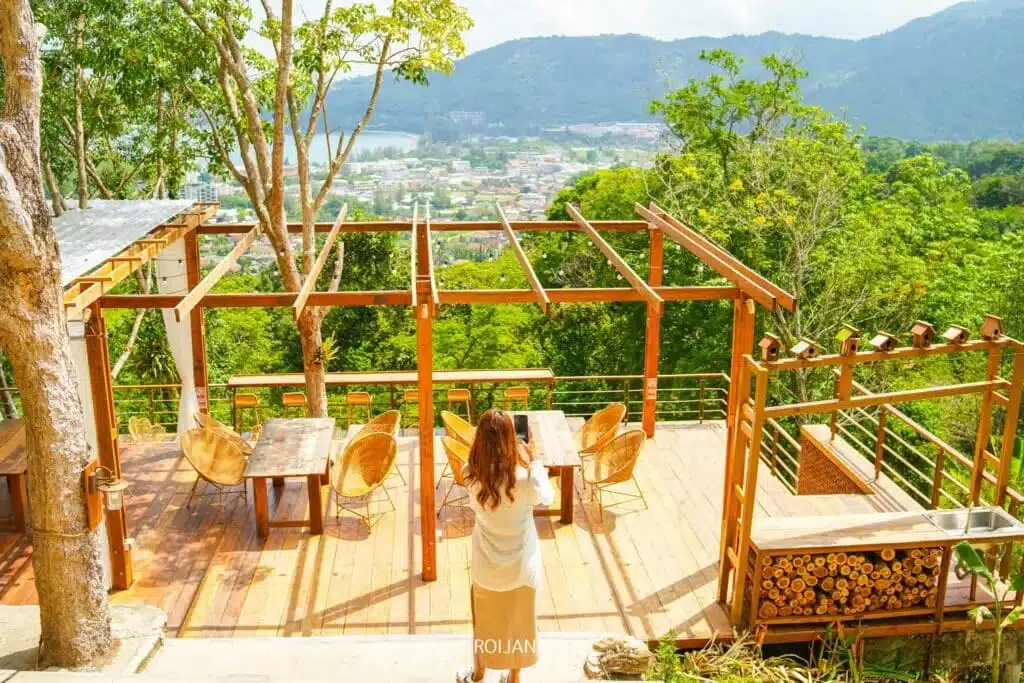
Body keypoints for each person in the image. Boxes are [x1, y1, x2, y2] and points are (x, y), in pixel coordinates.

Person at [456, 409, 554, 683]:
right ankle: (513, 677)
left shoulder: (470, 474)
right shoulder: (524, 480)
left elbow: (483, 467)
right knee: (519, 624)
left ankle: (478, 674)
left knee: (483, 623)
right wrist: (532, 460)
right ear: (513, 439)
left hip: (485, 567)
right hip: (522, 568)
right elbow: (546, 496)